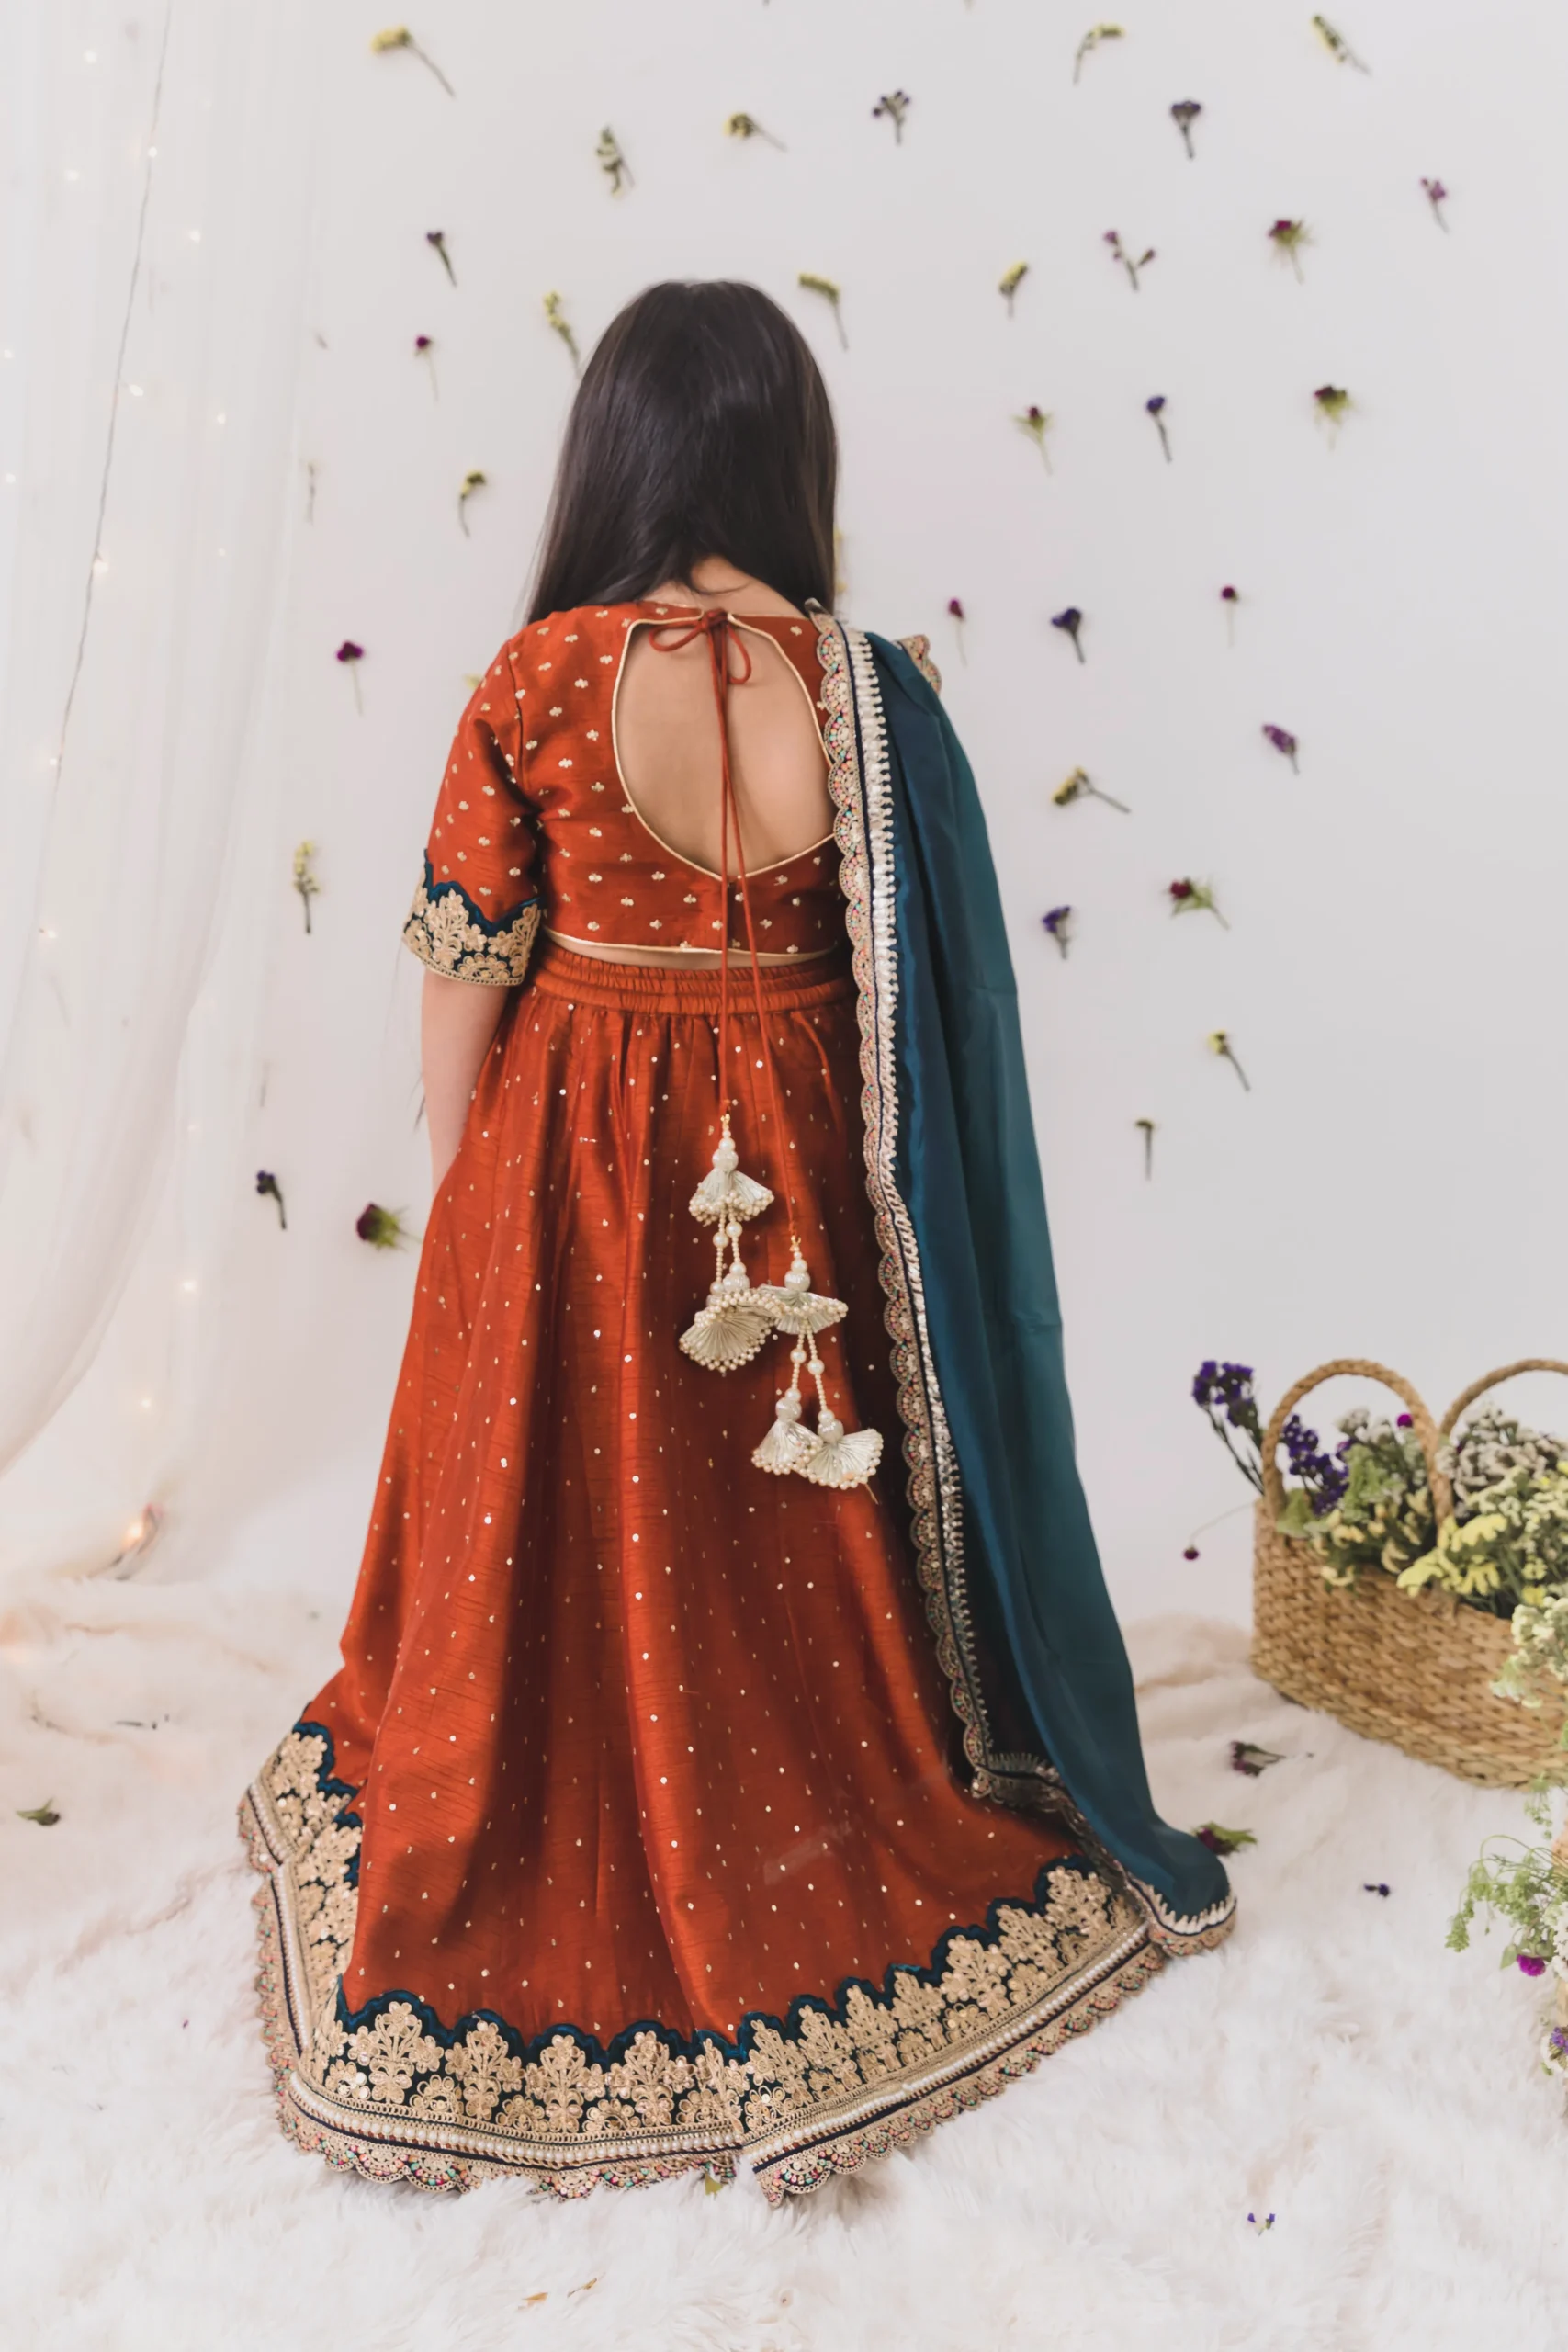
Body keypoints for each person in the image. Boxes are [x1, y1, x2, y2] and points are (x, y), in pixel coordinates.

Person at [242, 280, 1233, 2204]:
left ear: (612, 450)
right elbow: (910, 991)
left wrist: (472, 1202)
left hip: (582, 1150)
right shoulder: (872, 686)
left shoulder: (538, 677)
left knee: (579, 1473)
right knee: (793, 1496)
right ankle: (824, 1784)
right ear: (787, 452)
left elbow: (464, 972)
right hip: (803, 1147)